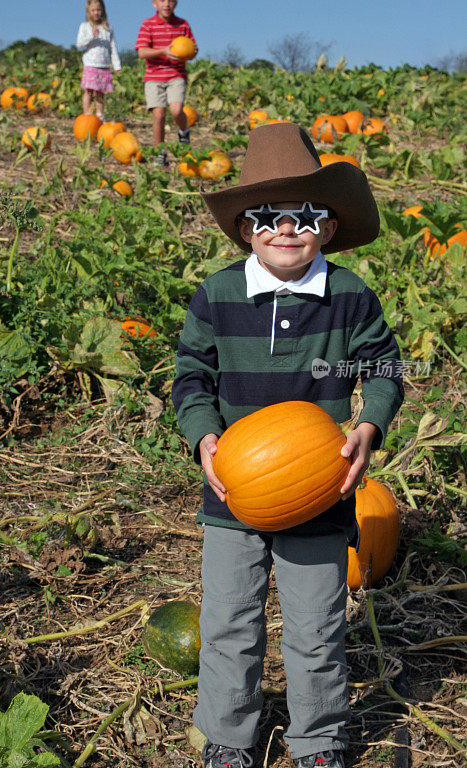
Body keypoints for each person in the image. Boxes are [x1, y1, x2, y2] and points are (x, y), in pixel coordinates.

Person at [172, 123, 404, 768]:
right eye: (269, 216)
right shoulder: (217, 294)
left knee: (316, 627)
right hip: (230, 492)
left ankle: (321, 739)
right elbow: (190, 377)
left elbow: (385, 367)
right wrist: (204, 438)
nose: (286, 228)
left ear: (327, 227)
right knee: (228, 624)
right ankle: (228, 734)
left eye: (305, 216)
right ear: (247, 227)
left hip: (321, 490)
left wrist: (368, 425)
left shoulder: (350, 295)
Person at [135, 0, 197, 166]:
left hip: (176, 74)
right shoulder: (148, 25)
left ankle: (184, 133)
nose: (166, 4)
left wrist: (190, 53)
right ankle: (160, 153)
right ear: (154, 3)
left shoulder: (183, 25)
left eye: (170, 0)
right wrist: (163, 51)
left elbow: (193, 49)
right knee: (159, 115)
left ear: (176, 3)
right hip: (154, 76)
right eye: (162, 0)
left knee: (177, 110)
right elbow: (141, 52)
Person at [76, 0, 121, 121]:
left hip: (104, 65)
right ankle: (87, 115)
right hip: (91, 64)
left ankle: (99, 115)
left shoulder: (108, 28)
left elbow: (113, 48)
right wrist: (91, 35)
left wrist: (117, 65)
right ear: (88, 11)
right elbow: (79, 44)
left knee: (101, 92)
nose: (96, 13)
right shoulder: (85, 26)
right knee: (88, 91)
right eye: (93, 10)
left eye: (98, 10)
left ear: (103, 10)